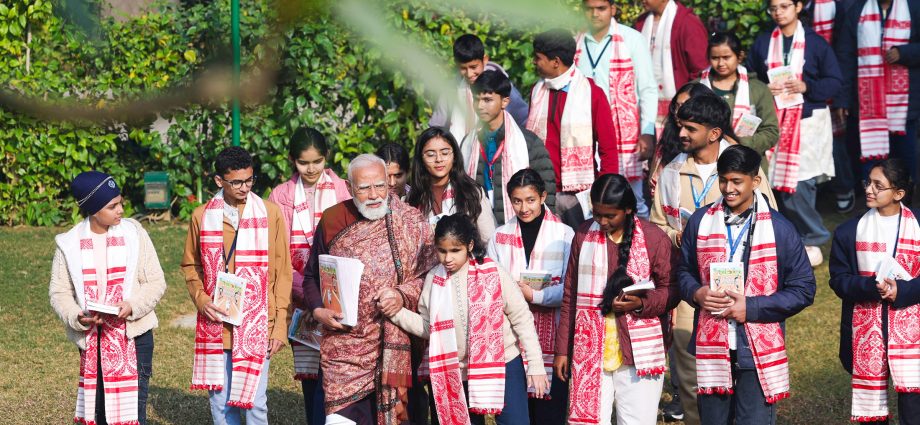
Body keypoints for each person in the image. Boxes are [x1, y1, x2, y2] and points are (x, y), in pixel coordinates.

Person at [650, 94, 777, 425]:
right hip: (691, 285)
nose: (681, 134)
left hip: (742, 287)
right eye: (680, 126)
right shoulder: (671, 172)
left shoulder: (742, 166)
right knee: (691, 366)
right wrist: (675, 235)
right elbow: (657, 224)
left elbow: (769, 221)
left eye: (691, 128)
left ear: (715, 133)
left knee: (744, 365)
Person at [677, 145, 816, 424]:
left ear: (755, 181)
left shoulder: (780, 228)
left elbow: (803, 289)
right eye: (723, 180)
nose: (728, 188)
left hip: (755, 349)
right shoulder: (700, 221)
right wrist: (696, 292)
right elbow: (682, 271)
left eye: (737, 181)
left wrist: (751, 307)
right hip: (712, 343)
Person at [303, 154, 437, 425]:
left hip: (397, 345)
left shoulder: (411, 221)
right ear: (349, 187)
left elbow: (430, 276)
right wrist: (318, 310)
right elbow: (311, 276)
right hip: (344, 347)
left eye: (380, 186)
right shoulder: (333, 220)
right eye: (364, 188)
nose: (374, 195)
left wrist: (400, 295)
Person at [385, 213, 549, 425]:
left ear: (470, 245)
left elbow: (522, 318)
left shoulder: (493, 272)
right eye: (442, 251)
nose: (448, 258)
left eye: (455, 251)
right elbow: (429, 328)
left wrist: (536, 365)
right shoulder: (434, 279)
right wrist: (396, 313)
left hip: (504, 362)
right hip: (455, 370)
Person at [182, 146, 293, 425]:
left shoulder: (269, 213)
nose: (245, 187)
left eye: (249, 180)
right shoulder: (201, 216)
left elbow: (282, 272)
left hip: (259, 323)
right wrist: (202, 300)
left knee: (255, 403)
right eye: (236, 182)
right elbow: (191, 266)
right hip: (217, 322)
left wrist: (280, 325)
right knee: (220, 403)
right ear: (219, 180)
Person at [553, 173, 676, 425]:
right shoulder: (583, 234)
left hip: (638, 353)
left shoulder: (653, 238)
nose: (602, 221)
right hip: (590, 349)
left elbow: (672, 290)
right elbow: (570, 295)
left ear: (628, 209)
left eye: (610, 216)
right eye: (597, 214)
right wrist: (562, 350)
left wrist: (641, 304)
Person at [50, 171, 166, 425]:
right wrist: (77, 316)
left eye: (120, 203)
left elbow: (156, 282)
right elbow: (59, 292)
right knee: (100, 413)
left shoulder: (134, 234)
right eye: (112, 206)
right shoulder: (69, 244)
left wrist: (132, 305)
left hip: (134, 337)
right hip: (94, 341)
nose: (121, 210)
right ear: (93, 209)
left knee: (134, 413)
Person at [747, 0, 843, 267]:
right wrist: (764, 87)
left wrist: (805, 86)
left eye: (785, 6)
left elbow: (834, 81)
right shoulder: (763, 42)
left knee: (801, 183)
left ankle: (812, 237)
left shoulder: (816, 43)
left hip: (806, 121)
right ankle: (788, 237)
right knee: (771, 180)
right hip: (773, 119)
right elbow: (749, 77)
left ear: (799, 6)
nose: (779, 12)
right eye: (774, 8)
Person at [268, 127, 351, 425]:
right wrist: (308, 294)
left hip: (340, 297)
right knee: (311, 377)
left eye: (317, 161)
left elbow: (351, 242)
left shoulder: (343, 189)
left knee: (338, 372)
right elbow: (277, 253)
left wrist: (332, 294)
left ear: (326, 158)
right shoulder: (280, 195)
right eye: (304, 163)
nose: (311, 169)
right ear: (293, 161)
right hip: (301, 298)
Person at [829, 158, 920, 423]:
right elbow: (839, 280)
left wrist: (903, 291)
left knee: (914, 405)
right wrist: (870, 286)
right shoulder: (849, 232)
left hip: (913, 331)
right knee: (873, 411)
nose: (869, 189)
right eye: (868, 182)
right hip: (867, 330)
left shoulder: (918, 225)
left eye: (878, 185)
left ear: (899, 193)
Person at [486, 169, 574, 425]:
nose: (524, 208)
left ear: (543, 197)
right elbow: (490, 285)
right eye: (517, 201)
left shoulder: (564, 235)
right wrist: (512, 296)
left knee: (549, 414)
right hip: (512, 339)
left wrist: (533, 295)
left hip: (553, 339)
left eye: (530, 200)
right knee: (517, 412)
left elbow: (570, 289)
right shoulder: (500, 236)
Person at [526, 29, 619, 228]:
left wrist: (604, 193)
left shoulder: (592, 94)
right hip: (542, 190)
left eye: (538, 58)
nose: (534, 62)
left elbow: (609, 149)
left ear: (556, 61)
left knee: (581, 242)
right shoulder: (537, 91)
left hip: (578, 195)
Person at [575, 0, 658, 218]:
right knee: (591, 198)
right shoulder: (577, 42)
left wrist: (647, 132)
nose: (595, 14)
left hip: (624, 133)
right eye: (589, 9)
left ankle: (640, 239)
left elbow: (648, 89)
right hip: (586, 132)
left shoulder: (632, 39)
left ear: (612, 9)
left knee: (633, 198)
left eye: (601, 8)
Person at [834, 0, 920, 186]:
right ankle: (874, 200)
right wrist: (842, 99)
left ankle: (904, 200)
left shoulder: (914, 7)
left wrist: (903, 53)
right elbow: (845, 57)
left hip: (904, 106)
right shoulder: (857, 10)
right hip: (867, 104)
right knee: (872, 160)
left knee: (904, 160)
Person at [460, 70, 556, 225]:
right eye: (476, 100)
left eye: (487, 100)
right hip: (479, 223)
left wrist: (543, 225)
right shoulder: (468, 142)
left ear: (504, 102)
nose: (480, 106)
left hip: (522, 223)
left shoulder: (528, 142)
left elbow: (547, 188)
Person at [697, 32, 780, 166]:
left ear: (740, 56)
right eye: (715, 58)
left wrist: (738, 144)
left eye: (726, 57)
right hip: (704, 162)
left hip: (748, 164)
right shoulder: (696, 88)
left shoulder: (758, 89)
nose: (721, 63)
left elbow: (771, 131)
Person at [430, 34, 530, 142]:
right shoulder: (451, 89)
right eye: (463, 68)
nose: (469, 74)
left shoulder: (500, 85)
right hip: (459, 149)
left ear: (485, 60)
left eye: (473, 67)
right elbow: (437, 126)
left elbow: (524, 118)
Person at [407, 126, 496, 243]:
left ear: (454, 156)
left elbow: (489, 240)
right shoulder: (413, 198)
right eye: (431, 154)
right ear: (421, 159)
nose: (439, 159)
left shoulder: (471, 192)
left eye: (445, 153)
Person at [634, 0, 709, 136]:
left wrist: (689, 105)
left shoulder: (687, 23)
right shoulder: (641, 23)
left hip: (682, 110)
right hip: (644, 108)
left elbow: (699, 70)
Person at [649, 82, 714, 198]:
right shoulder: (668, 139)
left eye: (684, 106)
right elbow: (654, 183)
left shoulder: (719, 142)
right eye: (676, 106)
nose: (677, 112)